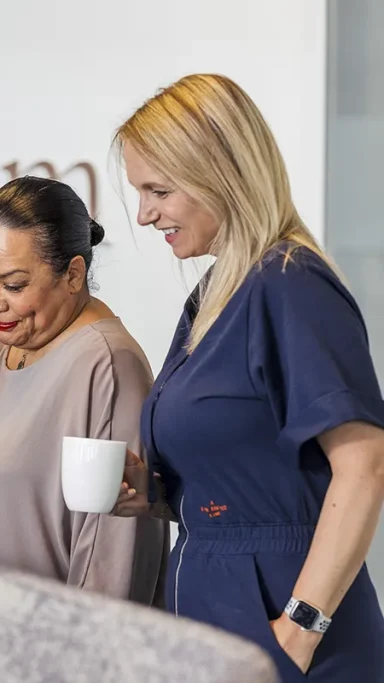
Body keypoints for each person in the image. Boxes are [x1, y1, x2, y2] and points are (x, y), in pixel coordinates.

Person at [111, 73, 384, 681]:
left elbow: (365, 466)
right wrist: (154, 494)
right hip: (219, 610)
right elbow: (244, 466)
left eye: (158, 190)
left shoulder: (290, 283)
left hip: (281, 620)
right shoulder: (219, 293)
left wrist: (300, 629)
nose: (145, 213)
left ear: (221, 174)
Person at [0, 176, 168, 605]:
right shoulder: (19, 339)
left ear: (72, 274)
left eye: (13, 285)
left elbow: (114, 558)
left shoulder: (106, 363)